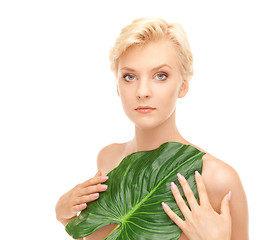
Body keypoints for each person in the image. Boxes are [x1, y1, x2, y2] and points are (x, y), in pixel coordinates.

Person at [55, 17, 249, 240]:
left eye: (160, 76)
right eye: (130, 76)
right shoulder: (108, 158)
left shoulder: (217, 179)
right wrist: (65, 217)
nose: (142, 91)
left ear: (183, 86)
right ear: (117, 86)